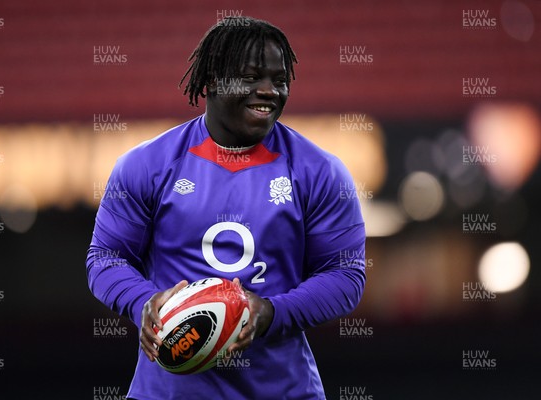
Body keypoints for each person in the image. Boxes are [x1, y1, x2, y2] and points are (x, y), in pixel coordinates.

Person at [87, 16, 366, 400]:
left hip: (283, 391)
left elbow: (346, 274)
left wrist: (270, 313)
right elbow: (106, 257)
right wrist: (143, 302)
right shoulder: (146, 166)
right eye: (251, 78)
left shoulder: (320, 171)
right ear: (211, 81)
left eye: (279, 79)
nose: (269, 91)